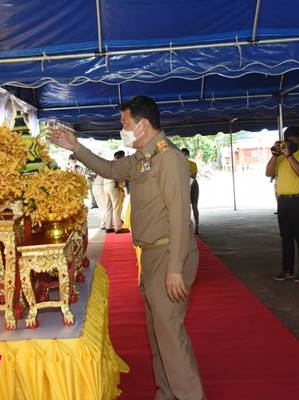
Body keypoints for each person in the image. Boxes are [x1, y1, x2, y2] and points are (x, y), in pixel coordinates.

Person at [50, 95, 204, 400]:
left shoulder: (168, 159)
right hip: (151, 255)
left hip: (168, 254)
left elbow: (179, 217)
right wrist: (76, 148)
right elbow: (109, 169)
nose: (122, 128)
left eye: (125, 123)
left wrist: (175, 268)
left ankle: (190, 395)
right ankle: (168, 392)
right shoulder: (143, 157)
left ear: (142, 124)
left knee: (171, 336)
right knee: (157, 334)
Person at [266, 127, 299, 284]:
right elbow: (268, 173)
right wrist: (275, 155)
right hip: (283, 201)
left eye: (293, 141)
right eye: (288, 140)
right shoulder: (280, 156)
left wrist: (289, 155)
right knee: (285, 237)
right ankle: (287, 269)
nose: (290, 143)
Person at [182, 148, 200, 235]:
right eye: (181, 155)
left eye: (185, 155)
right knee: (185, 208)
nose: (183, 156)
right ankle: (187, 227)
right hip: (183, 187)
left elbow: (193, 177)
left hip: (193, 186)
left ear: (188, 155)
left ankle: (197, 225)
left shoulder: (193, 164)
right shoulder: (178, 165)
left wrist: (188, 187)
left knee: (194, 206)